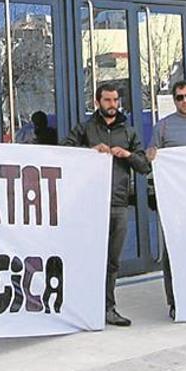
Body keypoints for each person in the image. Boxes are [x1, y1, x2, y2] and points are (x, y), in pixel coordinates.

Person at [63, 83, 150, 327]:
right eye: (107, 100)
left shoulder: (129, 132)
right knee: (87, 258)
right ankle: (83, 307)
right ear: (97, 102)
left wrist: (128, 155)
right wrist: (89, 150)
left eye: (115, 100)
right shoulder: (85, 128)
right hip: (89, 205)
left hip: (118, 204)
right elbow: (64, 153)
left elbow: (145, 166)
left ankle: (108, 308)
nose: (112, 105)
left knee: (112, 261)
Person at [145, 80, 186, 320]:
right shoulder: (163, 127)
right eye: (180, 97)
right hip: (173, 200)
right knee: (172, 249)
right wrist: (150, 155)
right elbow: (151, 156)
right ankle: (174, 300)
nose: (185, 101)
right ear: (174, 100)